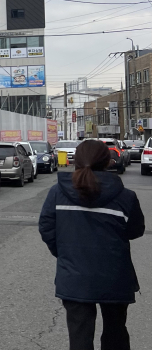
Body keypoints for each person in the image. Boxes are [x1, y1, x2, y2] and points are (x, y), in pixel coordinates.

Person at [39, 139, 145, 350]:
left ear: (75, 161)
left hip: (75, 276)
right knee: (116, 336)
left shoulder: (58, 193)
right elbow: (136, 230)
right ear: (108, 162)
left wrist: (65, 254)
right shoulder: (125, 197)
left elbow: (46, 228)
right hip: (115, 276)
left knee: (79, 339)